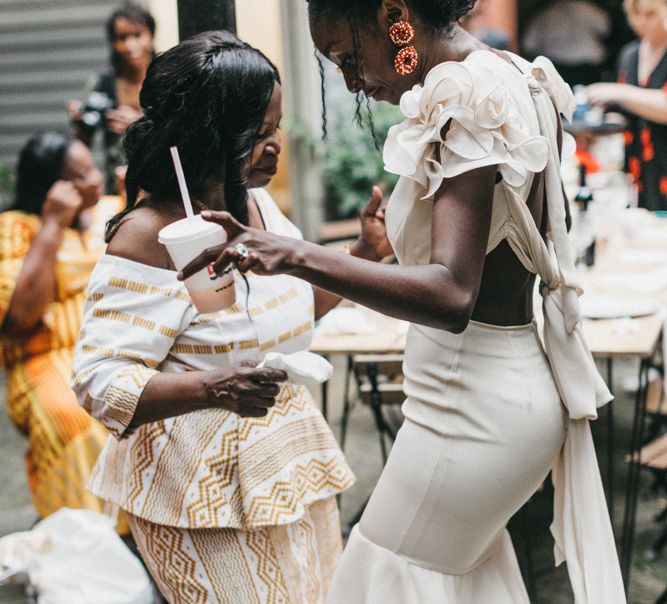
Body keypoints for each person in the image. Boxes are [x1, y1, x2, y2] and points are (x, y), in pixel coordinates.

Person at [179, 1, 626, 602]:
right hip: (501, 386)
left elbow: (451, 293)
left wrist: (291, 253)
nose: (350, 80)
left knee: (379, 576)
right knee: (454, 583)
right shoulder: (513, 75)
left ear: (394, 14)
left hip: (470, 405)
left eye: (346, 56)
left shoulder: (465, 97)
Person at [71, 31, 372, 603]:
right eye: (257, 135)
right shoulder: (149, 235)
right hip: (194, 485)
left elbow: (291, 315)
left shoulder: (258, 206)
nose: (275, 146)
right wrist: (216, 387)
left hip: (289, 463)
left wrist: (362, 255)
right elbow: (98, 380)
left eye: (275, 128)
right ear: (208, 137)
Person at [0, 133, 125, 527]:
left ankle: (143, 529)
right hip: (45, 360)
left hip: (118, 346)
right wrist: (53, 225)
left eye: (91, 166)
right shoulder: (17, 228)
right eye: (80, 174)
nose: (94, 178)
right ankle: (90, 536)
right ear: (51, 187)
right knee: (77, 420)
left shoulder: (112, 210)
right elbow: (20, 318)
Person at [587, 0, 667, 210]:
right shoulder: (629, 55)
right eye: (637, 14)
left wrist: (619, 92)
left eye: (651, 15)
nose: (642, 22)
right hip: (638, 168)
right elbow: (630, 113)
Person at [69, 2, 155, 194]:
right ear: (113, 43)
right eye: (122, 38)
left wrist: (139, 123)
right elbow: (84, 142)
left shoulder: (167, 76)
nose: (130, 45)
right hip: (117, 184)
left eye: (137, 35)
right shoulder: (104, 83)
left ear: (150, 36)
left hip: (162, 179)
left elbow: (183, 130)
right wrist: (80, 122)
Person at [522, 0, 612, 85]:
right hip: (585, 69)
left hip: (558, 68)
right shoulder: (590, 10)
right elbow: (606, 29)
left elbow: (528, 45)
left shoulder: (544, 14)